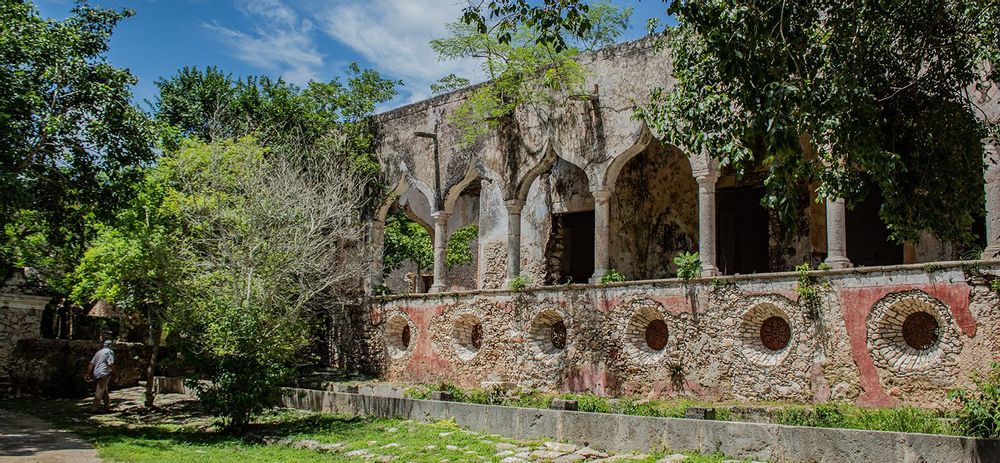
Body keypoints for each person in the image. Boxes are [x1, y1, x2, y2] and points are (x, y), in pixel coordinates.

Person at [88, 340, 115, 412]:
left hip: (96, 373)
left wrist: (88, 373)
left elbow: (91, 364)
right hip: (103, 373)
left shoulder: (98, 352)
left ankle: (107, 405)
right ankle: (94, 408)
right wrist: (116, 373)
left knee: (104, 389)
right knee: (99, 391)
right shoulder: (110, 352)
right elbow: (110, 363)